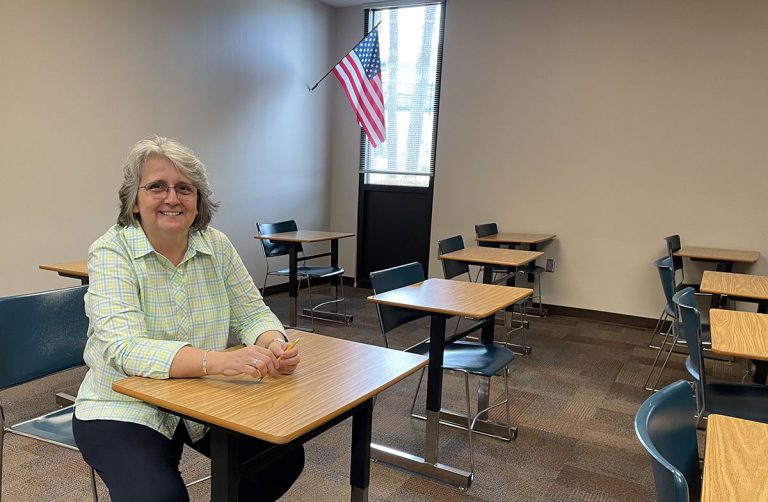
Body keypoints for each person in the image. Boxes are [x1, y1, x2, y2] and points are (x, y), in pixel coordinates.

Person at [73, 135, 304, 501]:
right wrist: (218, 361)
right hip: (122, 406)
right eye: (157, 187)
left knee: (281, 458)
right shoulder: (110, 250)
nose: (172, 198)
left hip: (201, 401)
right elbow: (125, 348)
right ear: (134, 200)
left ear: (198, 201)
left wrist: (273, 343)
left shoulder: (217, 245)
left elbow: (253, 312)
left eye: (184, 188)